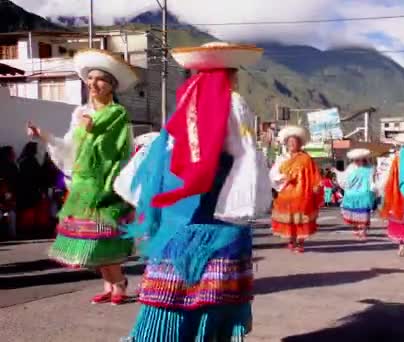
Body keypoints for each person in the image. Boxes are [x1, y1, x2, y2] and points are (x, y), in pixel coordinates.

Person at [122, 42, 272, 341]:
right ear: (231, 75)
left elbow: (162, 167)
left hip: (178, 221)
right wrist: (249, 207)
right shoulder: (233, 104)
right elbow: (246, 160)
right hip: (219, 220)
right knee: (212, 302)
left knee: (170, 300)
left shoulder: (185, 108)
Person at [27, 49, 138, 305]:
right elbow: (69, 148)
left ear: (111, 86)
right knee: (88, 242)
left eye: (100, 79)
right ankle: (109, 284)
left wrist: (93, 130)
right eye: (90, 79)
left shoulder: (117, 114)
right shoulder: (80, 113)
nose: (93, 84)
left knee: (102, 239)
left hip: (106, 184)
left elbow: (117, 150)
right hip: (82, 187)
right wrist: (43, 135)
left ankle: (119, 283)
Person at [270, 125, 322, 253]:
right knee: (290, 220)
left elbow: (315, 175)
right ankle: (291, 240)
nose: (292, 144)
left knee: (300, 220)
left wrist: (316, 186)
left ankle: (300, 242)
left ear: (300, 144)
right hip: (286, 194)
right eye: (290, 142)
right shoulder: (281, 159)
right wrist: (282, 177)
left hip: (302, 194)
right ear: (286, 144)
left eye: (295, 141)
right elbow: (272, 174)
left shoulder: (307, 159)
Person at [335, 148, 376, 240]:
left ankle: (363, 231)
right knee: (353, 214)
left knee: (364, 213)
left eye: (358, 159)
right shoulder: (351, 168)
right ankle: (357, 229)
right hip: (352, 195)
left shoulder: (370, 168)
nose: (357, 161)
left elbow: (373, 181)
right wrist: (338, 173)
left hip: (364, 194)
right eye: (355, 160)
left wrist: (373, 190)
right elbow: (345, 181)